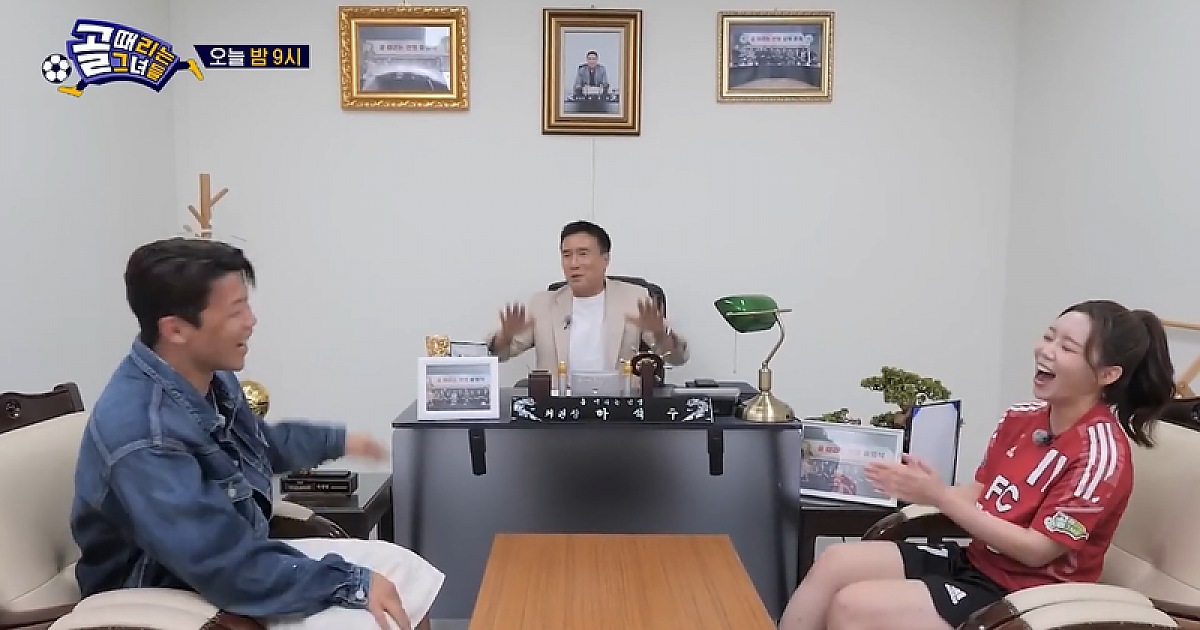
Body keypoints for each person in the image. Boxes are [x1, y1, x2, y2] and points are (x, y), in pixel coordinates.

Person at [71, 238, 444, 630]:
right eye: (236, 311)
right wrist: (351, 583)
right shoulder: (144, 435)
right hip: (163, 589)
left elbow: (262, 446)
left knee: (405, 573)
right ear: (176, 329)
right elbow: (218, 562)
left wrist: (339, 441)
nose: (251, 321)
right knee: (371, 615)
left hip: (233, 557)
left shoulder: (212, 380)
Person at [779, 300, 1176, 630]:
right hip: (978, 562)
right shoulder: (1021, 418)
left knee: (855, 606)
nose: (1046, 351)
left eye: (1068, 348)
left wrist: (940, 497)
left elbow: (1037, 552)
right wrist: (922, 488)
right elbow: (985, 491)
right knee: (836, 562)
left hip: (1029, 595)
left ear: (1107, 374)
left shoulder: (1100, 454)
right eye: (1048, 336)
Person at [486, 220, 689, 373]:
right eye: (567, 255)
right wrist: (505, 336)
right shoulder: (542, 304)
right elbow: (499, 354)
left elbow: (677, 359)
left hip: (619, 407)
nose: (574, 264)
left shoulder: (634, 298)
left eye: (583, 254)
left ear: (605, 259)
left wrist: (660, 334)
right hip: (559, 409)